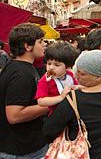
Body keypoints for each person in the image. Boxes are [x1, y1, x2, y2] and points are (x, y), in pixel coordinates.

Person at [43, 50, 101, 158]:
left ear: (98, 77)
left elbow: (48, 131)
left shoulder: (74, 98)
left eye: (82, 73)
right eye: (77, 71)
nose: (76, 76)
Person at [0, 23, 49, 158]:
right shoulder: (21, 74)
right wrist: (50, 104)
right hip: (22, 150)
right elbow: (14, 115)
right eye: (40, 41)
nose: (44, 44)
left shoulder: (17, 67)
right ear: (28, 46)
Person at [35, 41, 79, 115]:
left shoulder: (69, 75)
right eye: (49, 63)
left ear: (67, 67)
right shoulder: (45, 80)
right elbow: (41, 101)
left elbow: (75, 87)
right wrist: (60, 97)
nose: (51, 67)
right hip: (56, 115)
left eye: (57, 65)